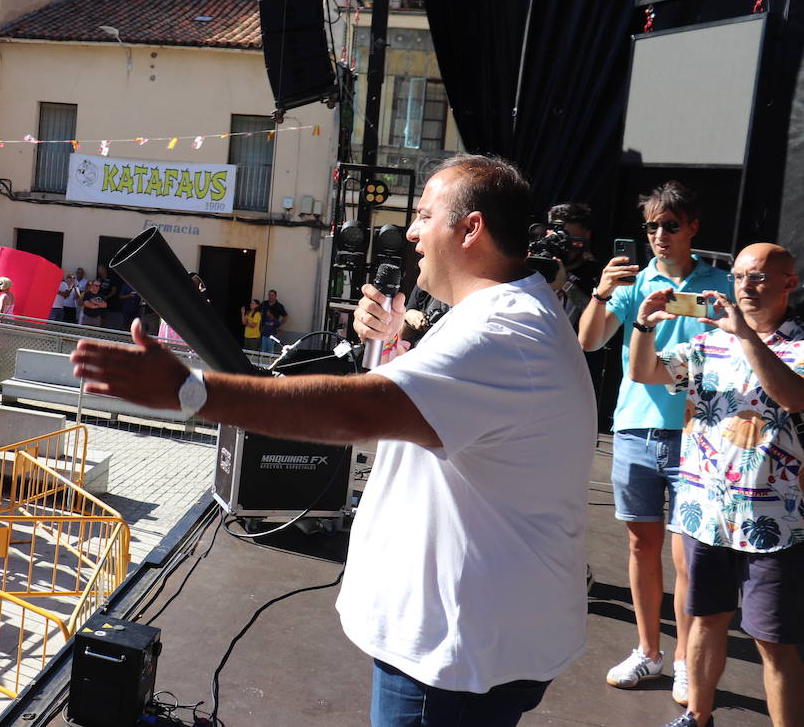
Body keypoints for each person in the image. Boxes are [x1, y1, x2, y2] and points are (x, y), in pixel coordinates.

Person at [71, 154, 596, 725]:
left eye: (424, 215)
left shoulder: (502, 332)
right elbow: (438, 416)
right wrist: (391, 346)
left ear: (471, 228)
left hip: (451, 661)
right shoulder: (506, 317)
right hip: (473, 643)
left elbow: (358, 411)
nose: (411, 233)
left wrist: (191, 391)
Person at [628, 243, 804, 727]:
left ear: (789, 283)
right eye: (740, 276)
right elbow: (644, 371)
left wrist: (745, 335)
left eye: (760, 277)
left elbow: (792, 397)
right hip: (706, 513)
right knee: (705, 621)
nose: (746, 286)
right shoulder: (708, 344)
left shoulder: (798, 345)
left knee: (774, 642)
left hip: (774, 522)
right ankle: (697, 716)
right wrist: (644, 325)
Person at [577, 181, 731, 702]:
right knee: (641, 545)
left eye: (670, 225)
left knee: (688, 556)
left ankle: (685, 659)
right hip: (635, 428)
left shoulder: (720, 285)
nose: (659, 235)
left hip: (699, 433)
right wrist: (602, 291)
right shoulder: (634, 282)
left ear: (692, 227)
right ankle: (649, 651)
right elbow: (588, 340)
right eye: (651, 226)